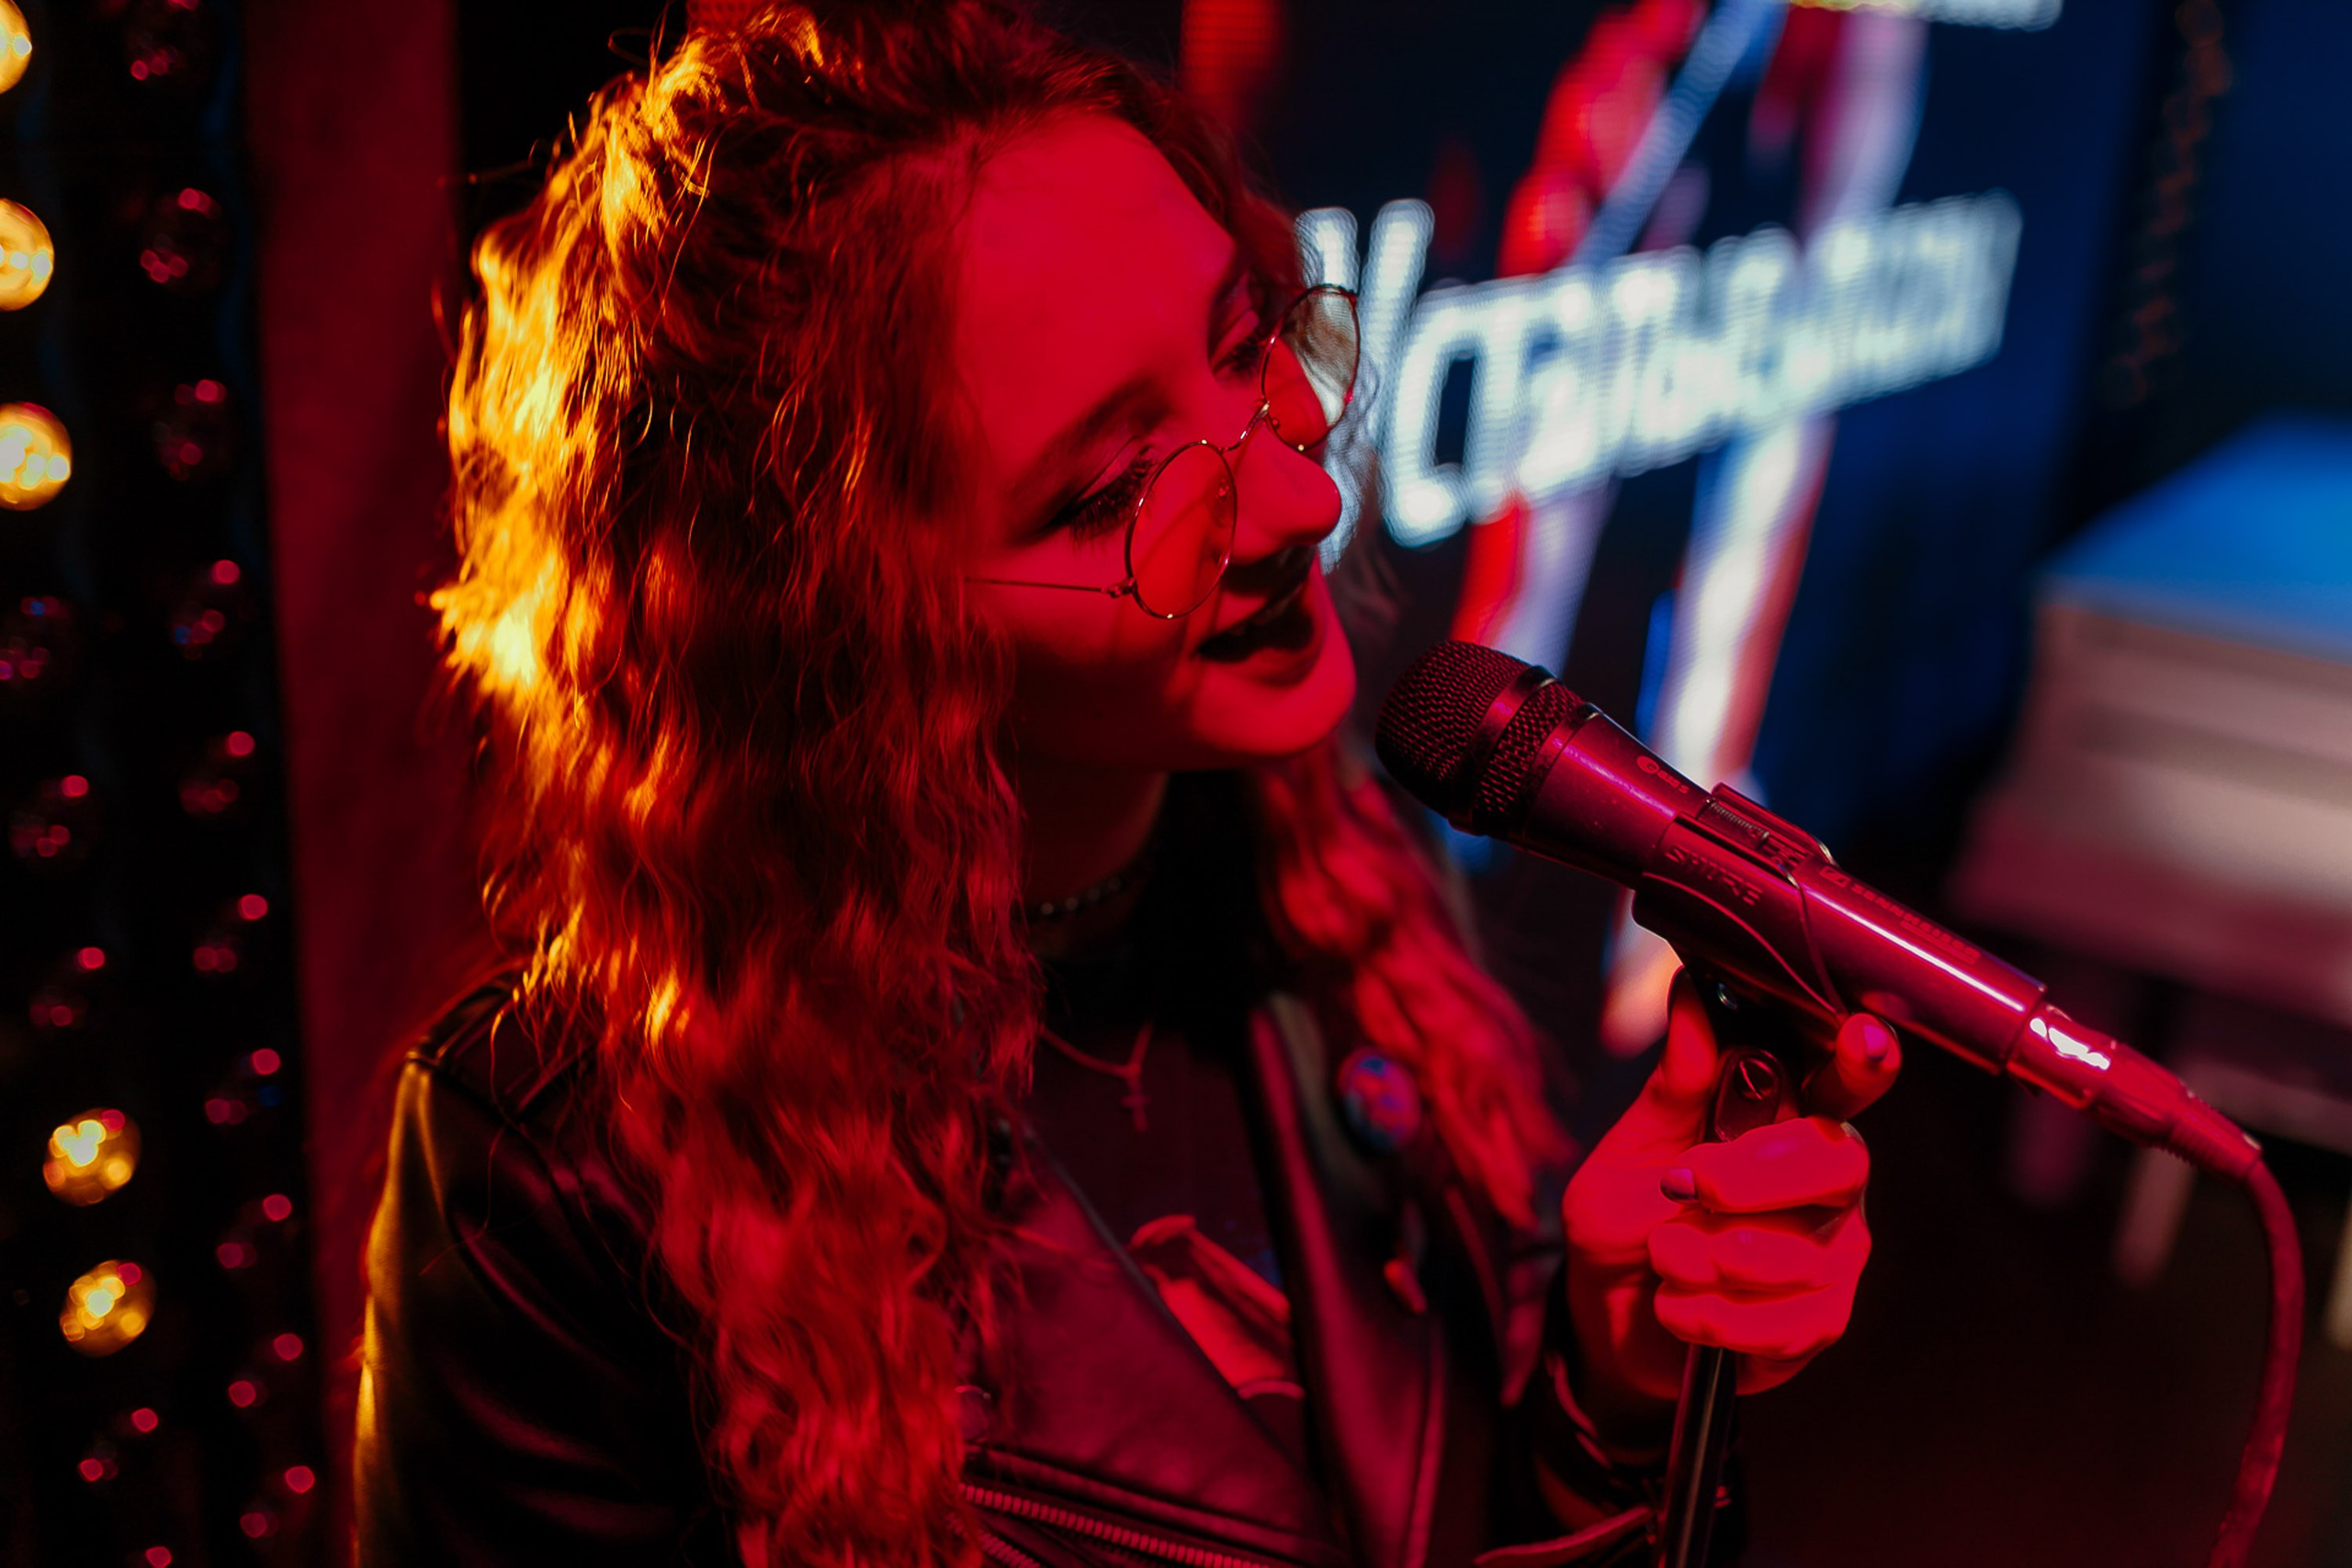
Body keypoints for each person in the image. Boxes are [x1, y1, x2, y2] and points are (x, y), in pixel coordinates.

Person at [354, 4, 1897, 1564]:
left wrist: (1610, 1392)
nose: (1300, 487)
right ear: (822, 624)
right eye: (1108, 492)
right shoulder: (558, 1177)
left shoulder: (1328, 854)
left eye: (1248, 345)